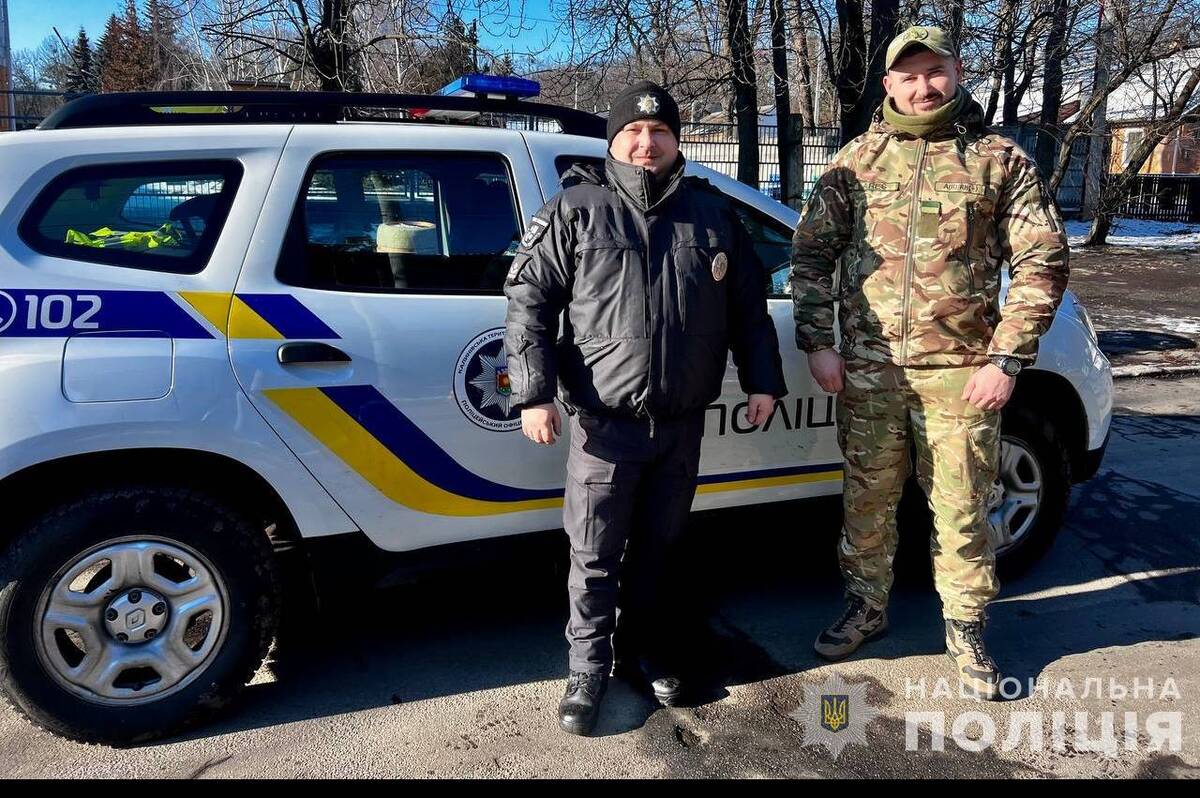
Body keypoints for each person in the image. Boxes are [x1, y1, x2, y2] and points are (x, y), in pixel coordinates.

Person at [790, 26, 1069, 699]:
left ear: (957, 70)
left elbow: (1042, 262)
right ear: (888, 84)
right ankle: (866, 606)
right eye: (908, 75)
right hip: (868, 369)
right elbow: (810, 255)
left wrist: (1006, 358)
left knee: (963, 504)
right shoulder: (855, 160)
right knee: (867, 499)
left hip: (960, 374)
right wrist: (819, 343)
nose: (923, 86)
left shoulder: (998, 160)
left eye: (934, 70)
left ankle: (967, 627)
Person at [504, 80, 787, 735]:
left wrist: (764, 382)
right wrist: (534, 393)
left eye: (659, 131)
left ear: (676, 140)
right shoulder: (577, 209)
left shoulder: (710, 216)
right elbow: (529, 303)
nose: (647, 141)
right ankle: (587, 670)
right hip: (605, 426)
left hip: (681, 427)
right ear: (614, 141)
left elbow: (748, 308)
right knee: (596, 554)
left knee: (660, 550)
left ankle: (647, 649)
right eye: (634, 130)